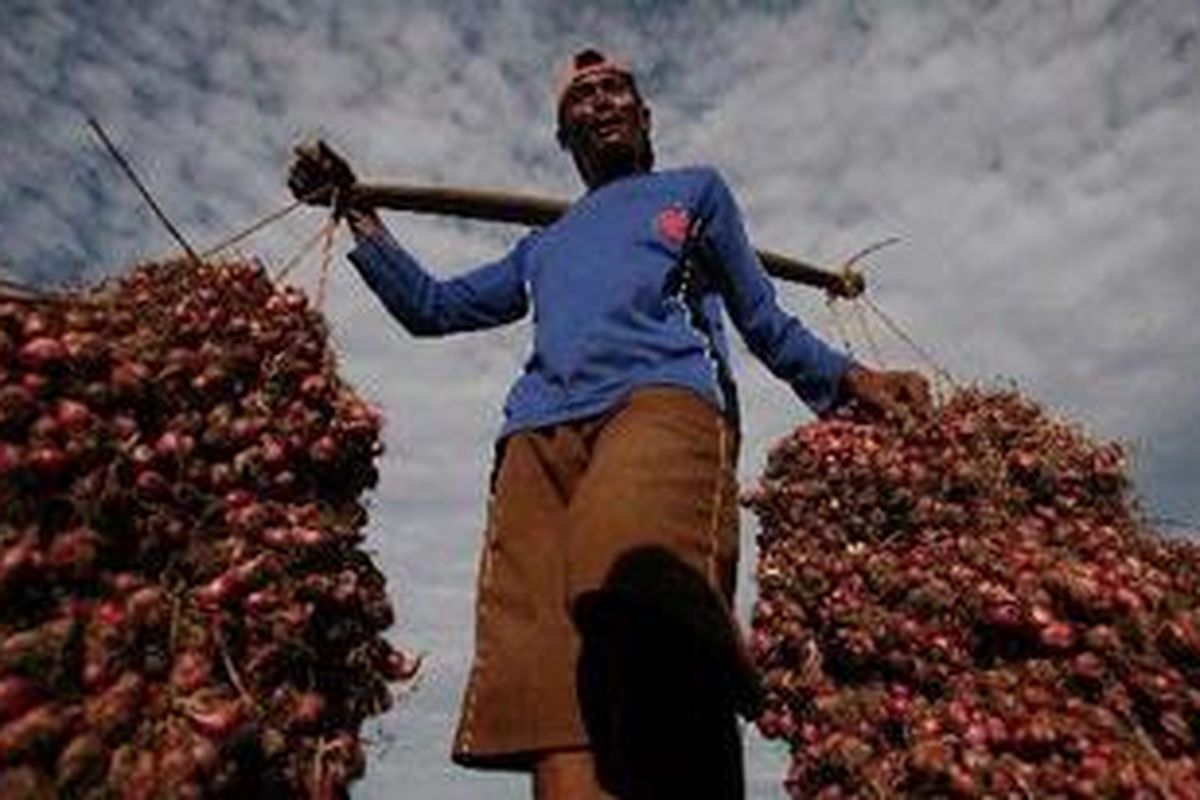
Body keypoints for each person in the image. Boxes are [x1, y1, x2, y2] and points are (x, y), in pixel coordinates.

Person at [288, 48, 929, 799]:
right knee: (550, 691)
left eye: (614, 89)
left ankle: (718, 655)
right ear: (566, 137)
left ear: (644, 114)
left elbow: (763, 320)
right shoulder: (544, 244)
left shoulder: (696, 193)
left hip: (659, 405)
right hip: (535, 439)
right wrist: (358, 215)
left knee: (627, 566)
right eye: (581, 99)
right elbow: (433, 309)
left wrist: (850, 379)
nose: (600, 102)